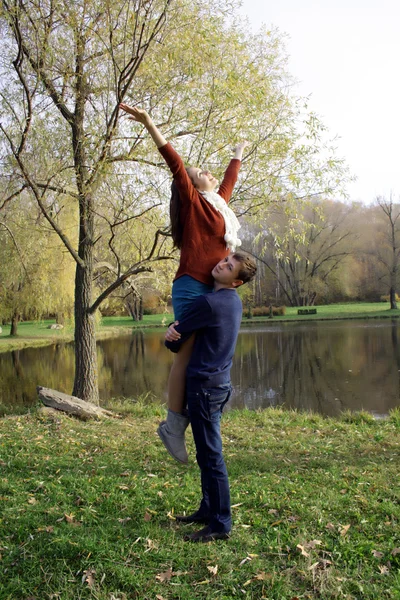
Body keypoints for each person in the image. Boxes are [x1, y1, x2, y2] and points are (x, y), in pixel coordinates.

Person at [119, 103, 248, 463]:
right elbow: (174, 162)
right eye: (199, 172)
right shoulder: (193, 203)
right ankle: (173, 427)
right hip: (192, 285)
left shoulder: (219, 204)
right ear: (192, 186)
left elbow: (229, 183)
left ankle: (204, 419)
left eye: (207, 171)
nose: (205, 172)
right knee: (187, 357)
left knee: (211, 356)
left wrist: (237, 156)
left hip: (215, 289)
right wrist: (149, 124)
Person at [164, 250, 257, 542]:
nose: (221, 264)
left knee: (212, 455)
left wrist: (169, 334)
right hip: (218, 385)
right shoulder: (233, 303)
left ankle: (221, 523)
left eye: (229, 266)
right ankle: (208, 509)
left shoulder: (209, 302)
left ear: (236, 281)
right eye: (225, 260)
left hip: (204, 387)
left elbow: (176, 343)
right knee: (207, 454)